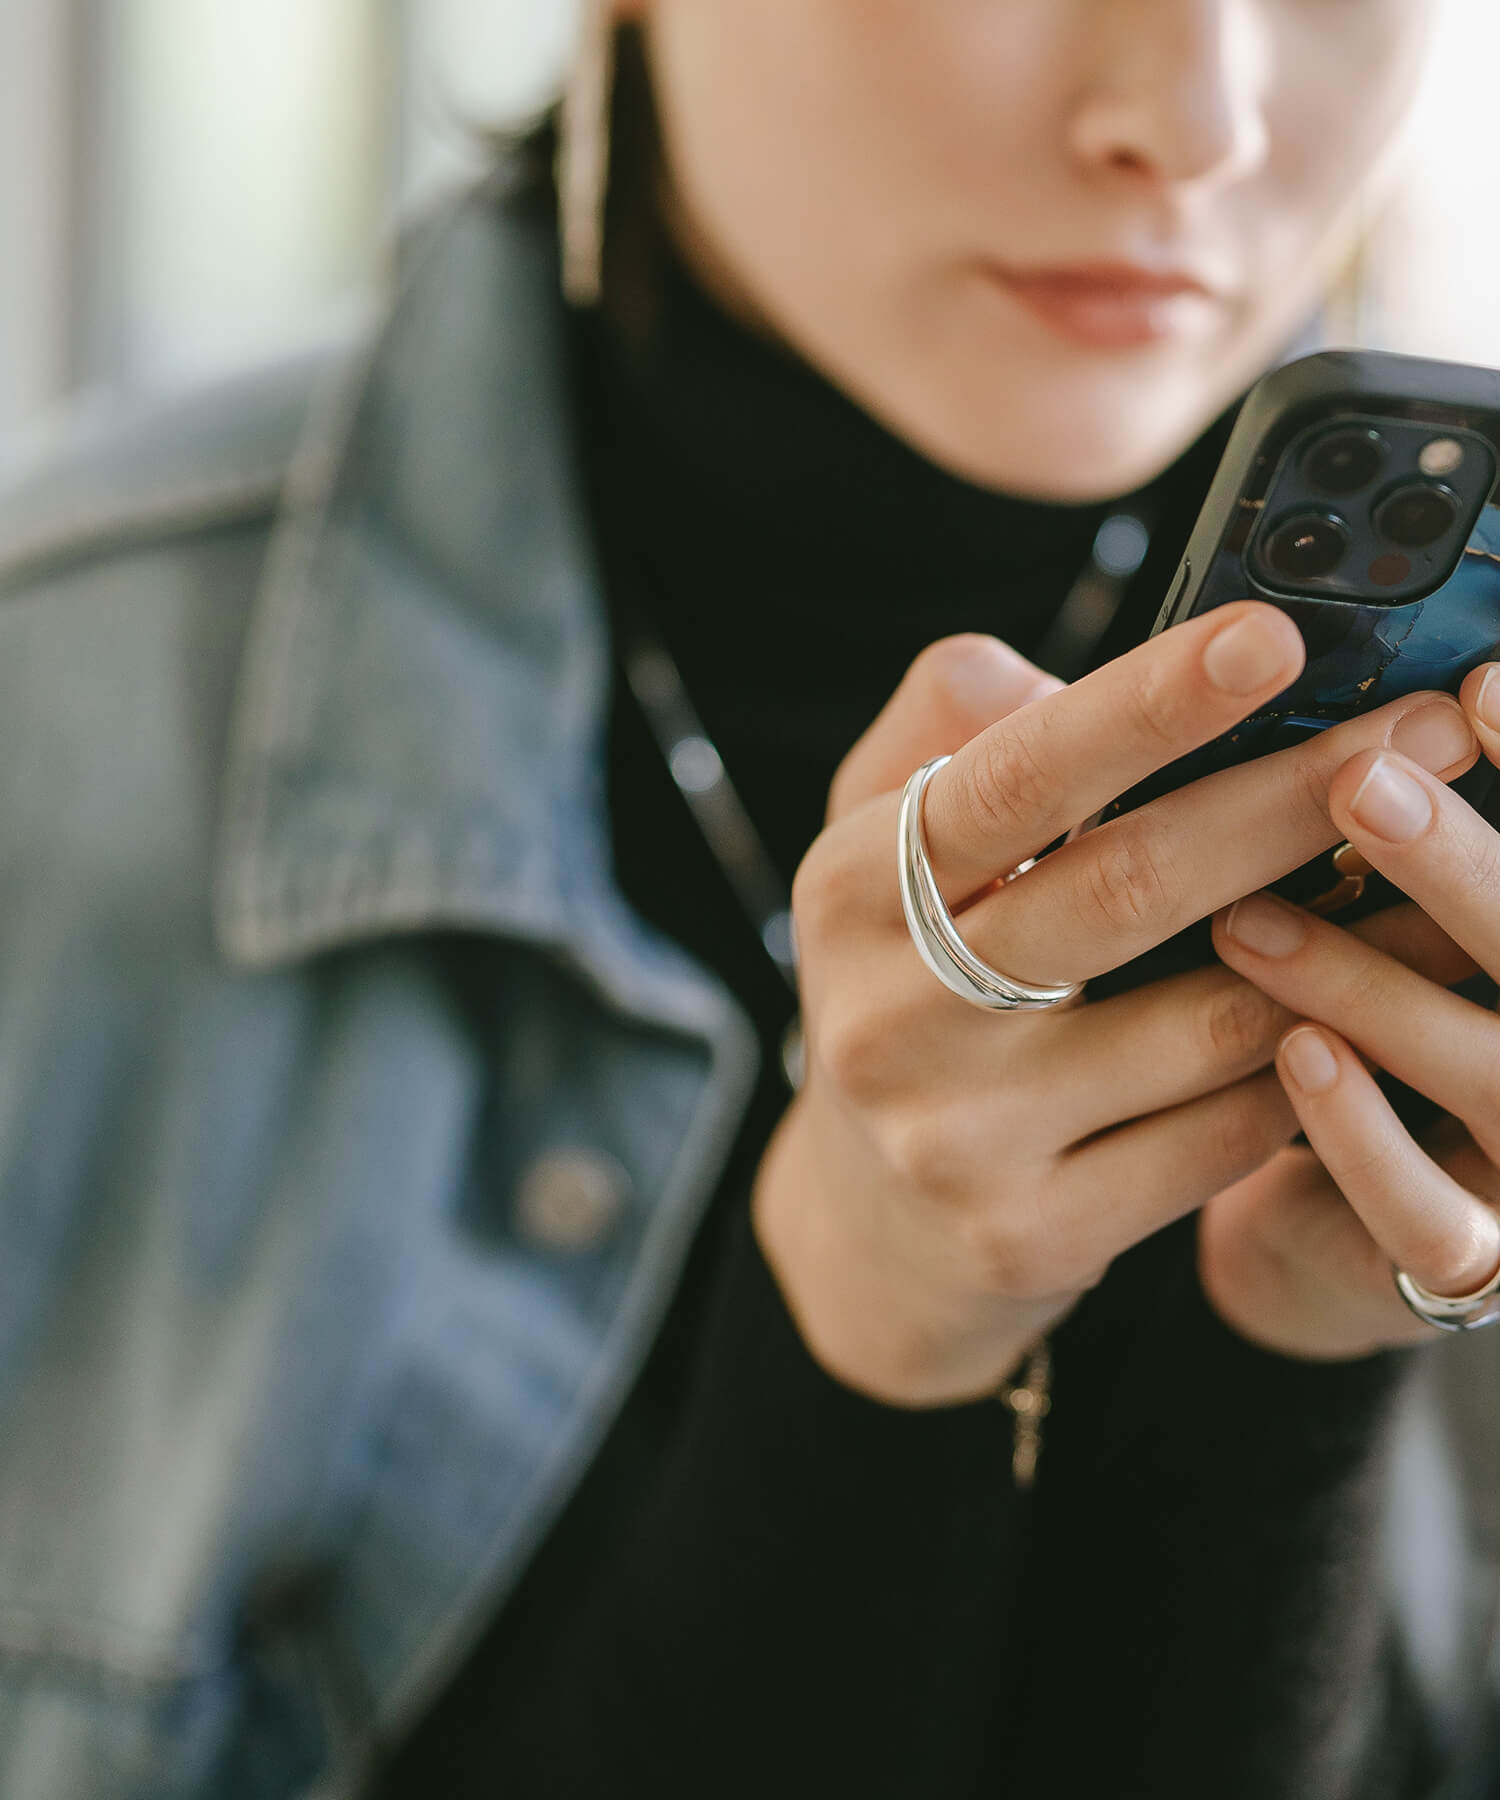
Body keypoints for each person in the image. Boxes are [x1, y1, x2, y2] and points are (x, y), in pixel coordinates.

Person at [1, 0, 1498, 1794]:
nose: (1195, 115)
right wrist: (857, 1333)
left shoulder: (1456, 781)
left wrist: (1299, 1349)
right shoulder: (57, 724)